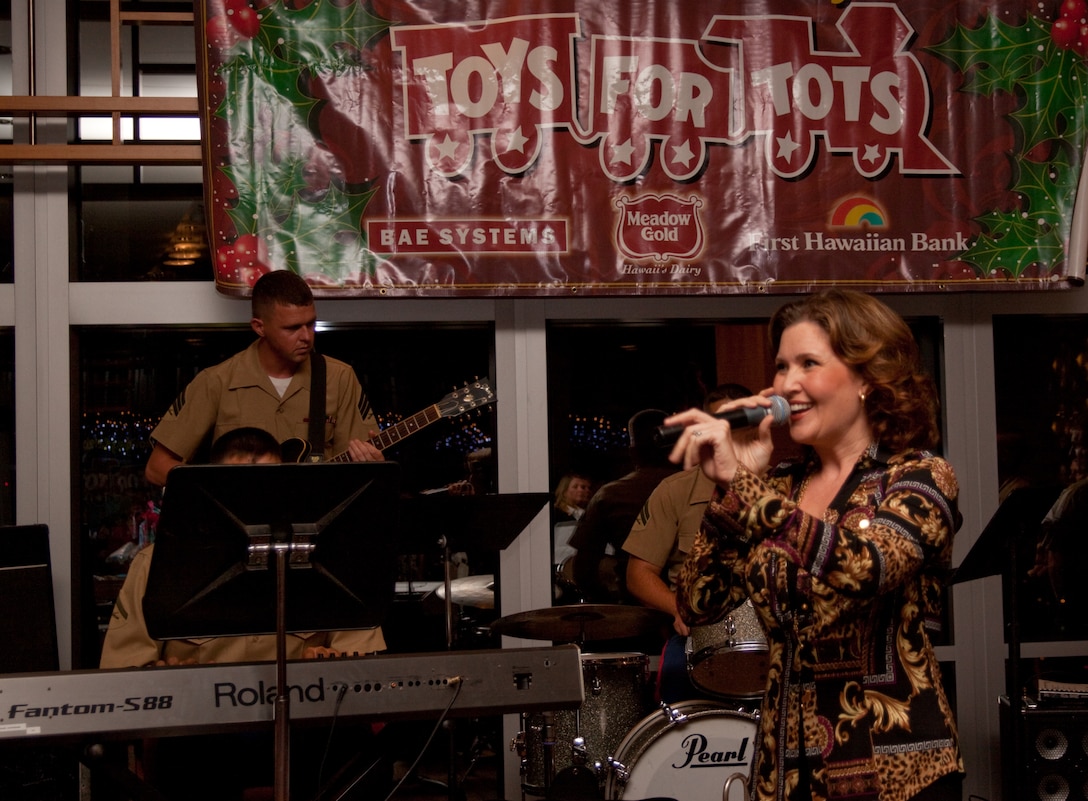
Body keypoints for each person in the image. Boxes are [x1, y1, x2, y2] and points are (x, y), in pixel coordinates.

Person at [664, 289, 964, 801]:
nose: (786, 384)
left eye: (809, 363)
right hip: (784, 769)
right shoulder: (779, 485)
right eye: (781, 367)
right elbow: (697, 603)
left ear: (869, 378)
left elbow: (869, 567)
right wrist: (731, 487)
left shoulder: (918, 476)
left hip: (896, 769)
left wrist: (749, 489)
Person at [100, 426, 388, 801]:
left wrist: (333, 667)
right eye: (241, 486)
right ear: (215, 490)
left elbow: (364, 669)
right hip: (205, 732)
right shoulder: (156, 565)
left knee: (358, 750)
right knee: (183, 755)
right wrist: (167, 681)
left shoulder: (328, 557)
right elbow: (121, 678)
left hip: (306, 726)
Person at [144, 269, 382, 488]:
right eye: (292, 328)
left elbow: (356, 472)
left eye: (311, 324)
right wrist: (217, 494)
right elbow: (157, 468)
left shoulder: (339, 377)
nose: (307, 337)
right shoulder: (217, 381)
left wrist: (373, 464)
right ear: (259, 327)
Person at [622, 383, 752, 702]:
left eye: (736, 422)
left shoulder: (782, 487)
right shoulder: (675, 490)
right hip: (697, 635)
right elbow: (638, 574)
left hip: (769, 636)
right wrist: (678, 608)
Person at [566, 410, 680, 603]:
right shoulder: (702, 488)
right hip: (695, 604)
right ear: (675, 447)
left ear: (632, 451)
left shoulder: (610, 495)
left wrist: (612, 603)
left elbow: (584, 570)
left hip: (635, 605)